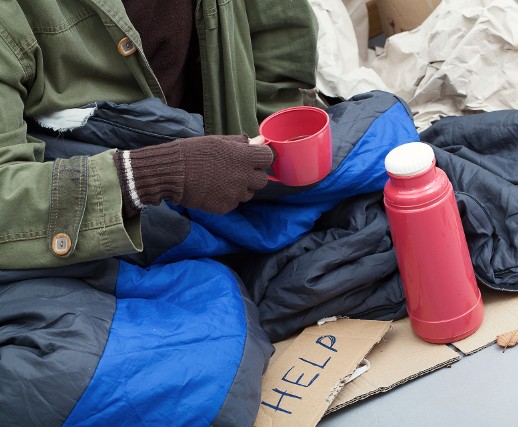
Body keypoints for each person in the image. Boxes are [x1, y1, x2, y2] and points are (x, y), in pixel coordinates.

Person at [0, 1, 318, 425]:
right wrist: (146, 177)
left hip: (225, 175)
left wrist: (271, 141)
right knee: (58, 381)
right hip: (63, 223)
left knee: (383, 184)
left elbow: (279, 35)